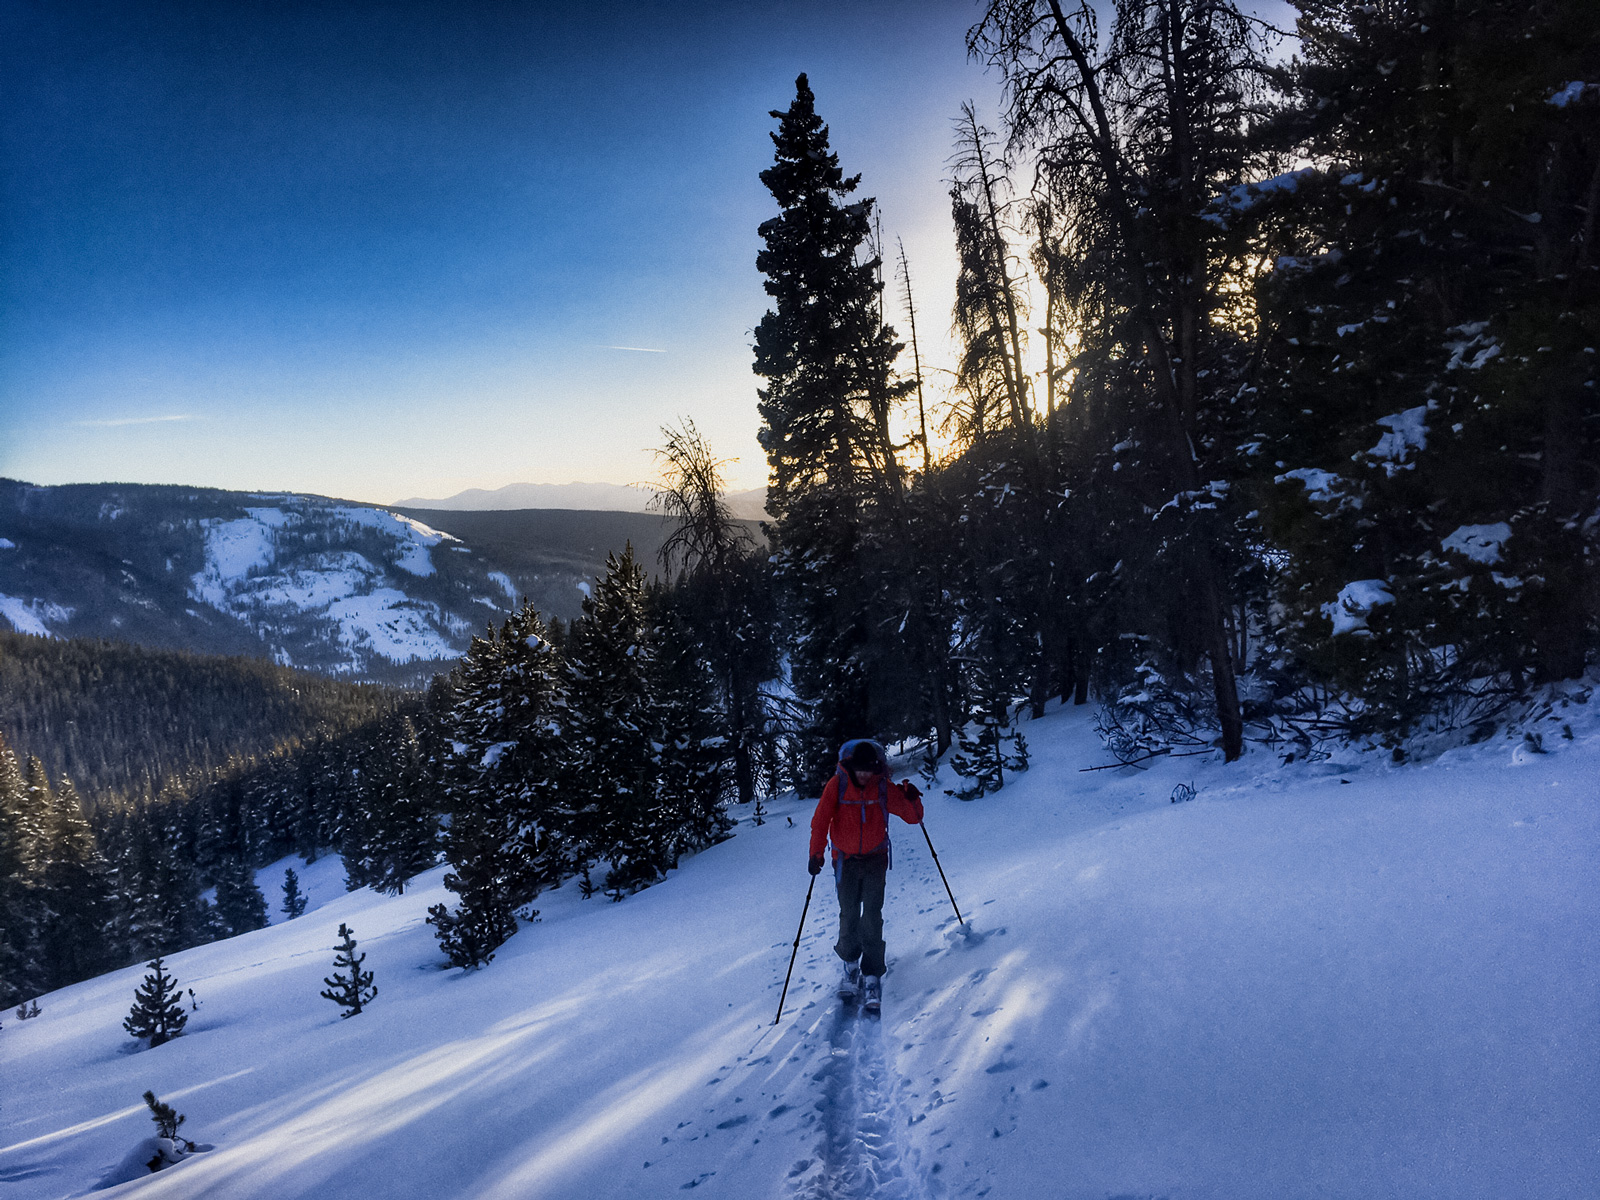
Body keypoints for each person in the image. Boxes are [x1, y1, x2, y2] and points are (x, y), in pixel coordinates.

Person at [808, 738, 924, 1011]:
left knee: (871, 915)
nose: (863, 774)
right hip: (845, 861)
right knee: (849, 913)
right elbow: (820, 821)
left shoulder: (882, 786)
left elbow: (913, 817)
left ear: (875, 769)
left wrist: (912, 796)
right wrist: (816, 854)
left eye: (868, 770)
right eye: (859, 769)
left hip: (875, 859)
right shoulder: (837, 785)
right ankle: (850, 966)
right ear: (850, 766)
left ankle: (871, 973)